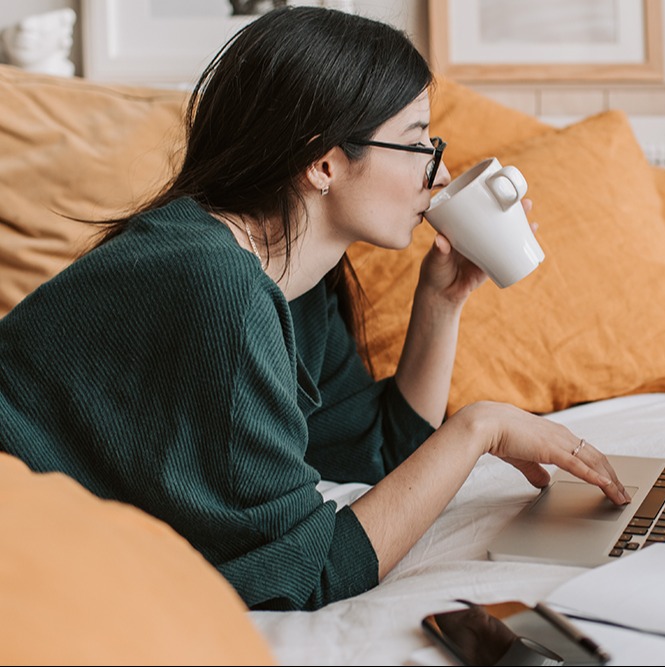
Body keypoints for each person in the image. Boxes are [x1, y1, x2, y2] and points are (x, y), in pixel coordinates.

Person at [0, 6, 629, 611]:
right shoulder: (217, 286)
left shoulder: (292, 278)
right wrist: (479, 429)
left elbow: (369, 457)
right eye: (419, 146)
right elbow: (307, 571)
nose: (437, 177)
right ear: (324, 161)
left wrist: (441, 301)